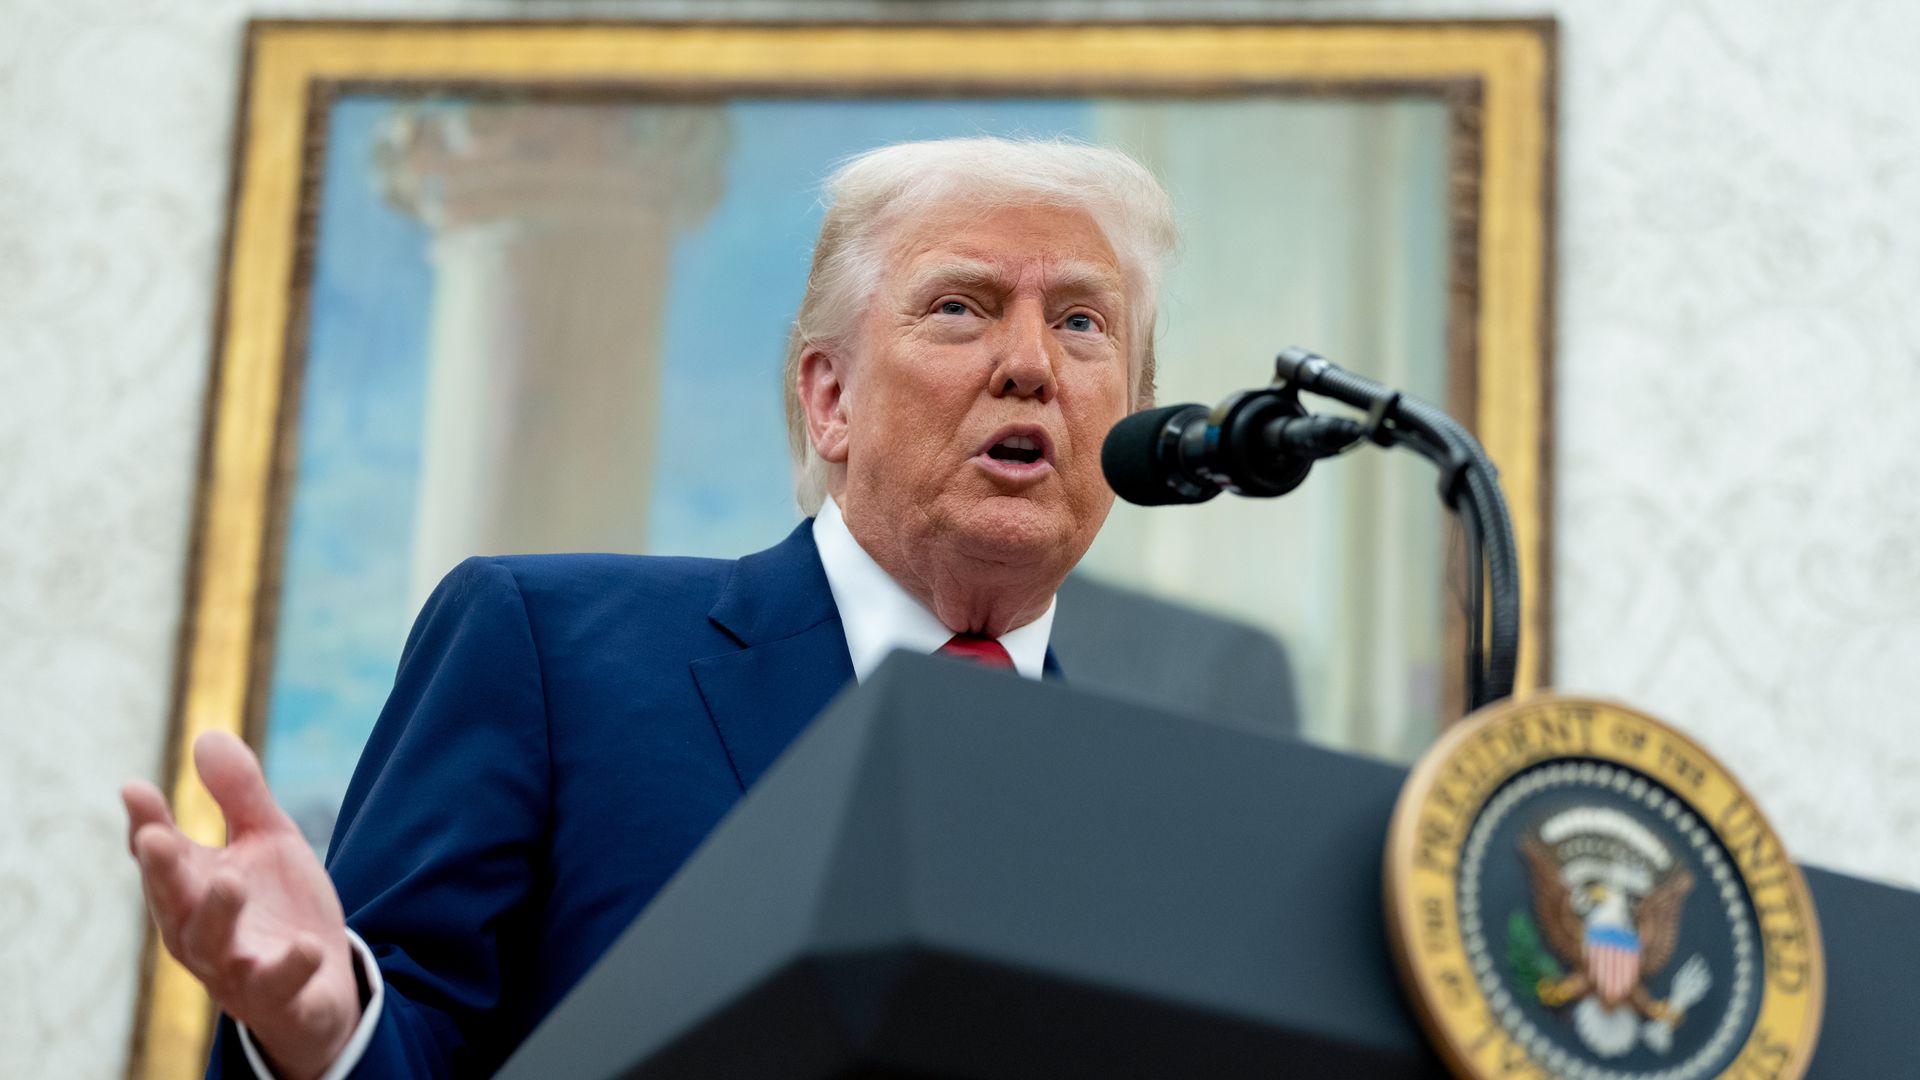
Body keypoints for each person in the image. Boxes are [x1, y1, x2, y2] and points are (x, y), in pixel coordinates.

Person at [122, 135, 1178, 1079]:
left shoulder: (1146, 815)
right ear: (830, 399)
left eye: (1083, 322)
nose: (1033, 365)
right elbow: (417, 1034)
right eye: (963, 306)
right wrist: (327, 1035)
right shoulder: (544, 647)